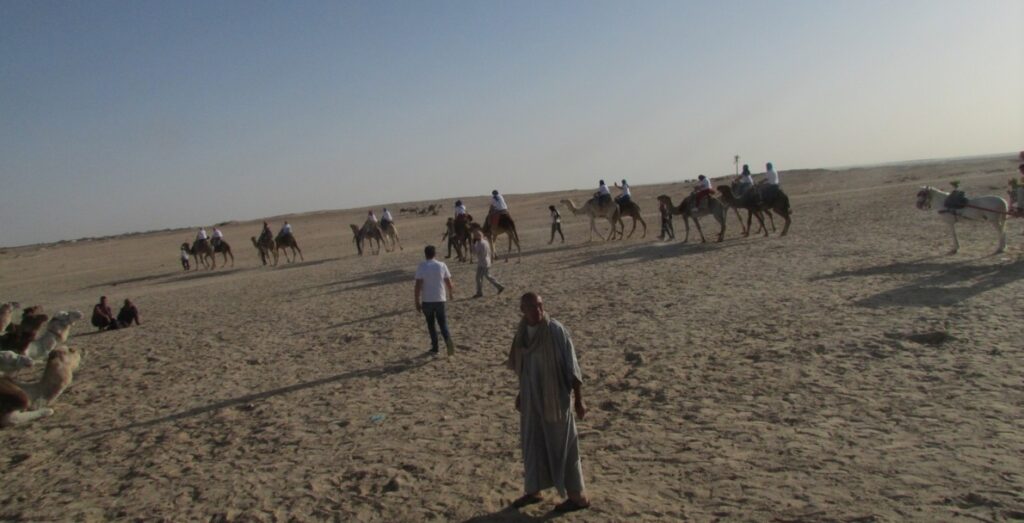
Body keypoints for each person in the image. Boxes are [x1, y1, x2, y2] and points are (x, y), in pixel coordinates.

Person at [506, 292, 590, 512]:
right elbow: (522, 367)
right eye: (533, 307)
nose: (538, 311)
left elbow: (573, 368)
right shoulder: (522, 332)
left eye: (540, 306)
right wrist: (521, 393)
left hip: (556, 400)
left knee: (564, 446)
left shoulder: (556, 331)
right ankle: (534, 490)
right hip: (531, 399)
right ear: (523, 310)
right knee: (532, 443)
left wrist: (579, 401)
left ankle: (578, 497)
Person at [414, 245, 455, 355]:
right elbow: (449, 283)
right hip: (440, 298)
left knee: (431, 324)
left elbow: (418, 285)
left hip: (427, 300)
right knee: (443, 323)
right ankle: (448, 343)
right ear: (435, 254)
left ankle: (435, 347)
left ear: (425, 254)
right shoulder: (442, 265)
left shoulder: (422, 266)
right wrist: (450, 293)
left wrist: (416, 301)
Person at [472, 230, 505, 298]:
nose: (474, 237)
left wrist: (473, 245)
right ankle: (498, 287)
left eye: (475, 236)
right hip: (486, 261)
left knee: (483, 277)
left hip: (482, 263)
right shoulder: (485, 241)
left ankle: (480, 292)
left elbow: (475, 253)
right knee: (482, 277)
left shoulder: (480, 243)